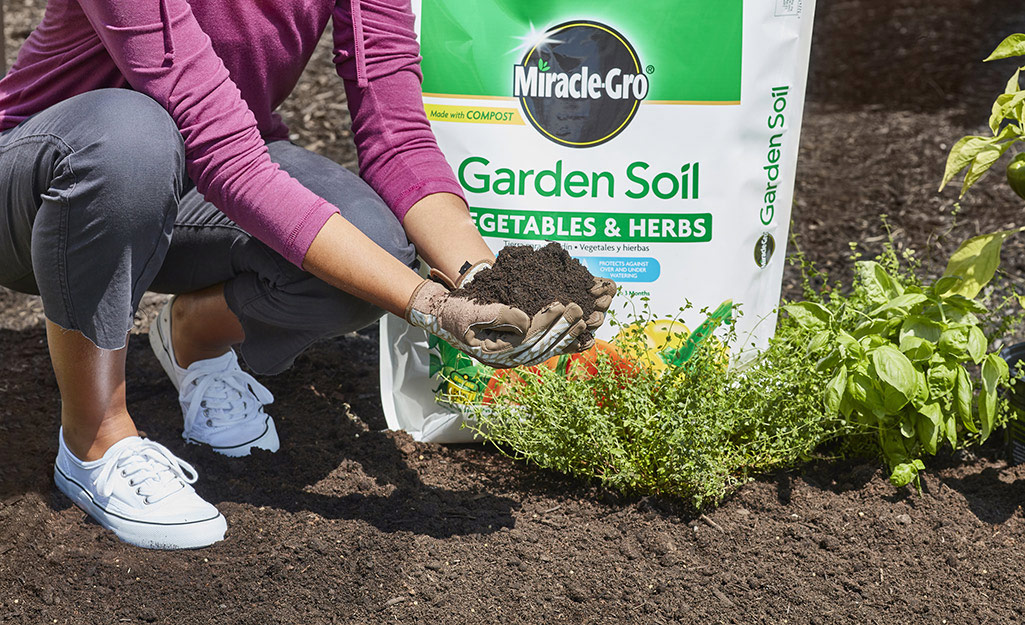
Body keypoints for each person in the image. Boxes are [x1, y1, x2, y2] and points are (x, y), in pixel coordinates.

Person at [0, 0, 615, 550]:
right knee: (132, 136)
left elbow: (396, 137)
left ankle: (196, 336)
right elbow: (226, 157)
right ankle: (95, 439)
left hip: (199, 177)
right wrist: (429, 304)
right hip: (48, 191)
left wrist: (483, 282)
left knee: (373, 251)